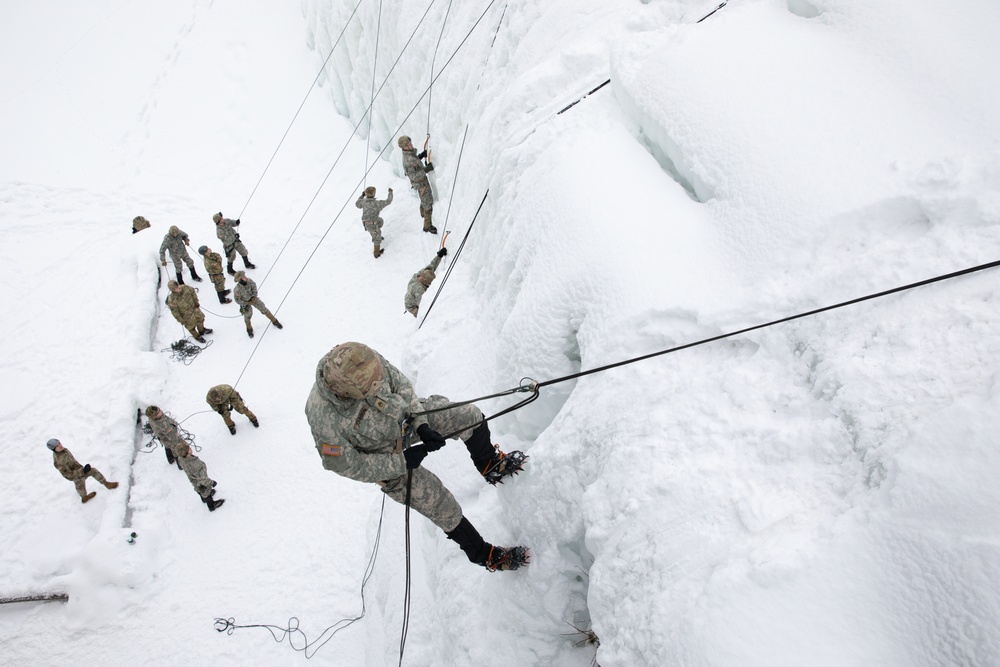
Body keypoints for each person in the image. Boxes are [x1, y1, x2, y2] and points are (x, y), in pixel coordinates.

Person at [304, 342, 529, 571]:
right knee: (442, 505)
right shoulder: (322, 414)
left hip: (406, 421)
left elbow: (401, 386)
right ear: (346, 391)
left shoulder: (363, 359)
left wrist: (421, 424)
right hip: (384, 460)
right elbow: (344, 464)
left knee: (469, 416)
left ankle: (489, 464)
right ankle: (485, 555)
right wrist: (401, 462)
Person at [47, 438, 118, 503]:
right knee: (80, 487)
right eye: (57, 446)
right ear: (53, 449)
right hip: (75, 476)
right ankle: (84, 498)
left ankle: (106, 484)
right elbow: (69, 475)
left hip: (80, 469)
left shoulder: (64, 450)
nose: (60, 446)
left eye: (59, 443)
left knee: (93, 471)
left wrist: (82, 468)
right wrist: (82, 471)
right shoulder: (59, 462)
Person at [397, 135, 437, 233]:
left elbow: (414, 164)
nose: (411, 145)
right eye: (408, 144)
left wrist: (420, 156)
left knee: (424, 198)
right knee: (427, 202)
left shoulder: (409, 154)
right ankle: (427, 226)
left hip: (421, 183)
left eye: (410, 143)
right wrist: (426, 170)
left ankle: (422, 212)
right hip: (421, 183)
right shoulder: (408, 160)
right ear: (404, 147)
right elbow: (413, 176)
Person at [233, 271, 282, 338]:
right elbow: (237, 300)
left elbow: (254, 287)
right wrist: (246, 303)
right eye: (243, 277)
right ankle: (249, 329)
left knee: (263, 308)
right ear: (240, 279)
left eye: (245, 276)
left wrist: (254, 296)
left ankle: (274, 321)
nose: (245, 277)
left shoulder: (249, 281)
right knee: (247, 316)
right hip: (246, 303)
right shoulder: (237, 289)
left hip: (254, 299)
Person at [405, 247, 447, 317]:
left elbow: (432, 266)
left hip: (411, 294)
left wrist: (439, 256)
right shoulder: (419, 290)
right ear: (425, 284)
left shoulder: (423, 273)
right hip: (411, 306)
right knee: (420, 314)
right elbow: (423, 306)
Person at [355, 186, 393, 258]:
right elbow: (388, 201)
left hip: (366, 223)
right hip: (372, 224)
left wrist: (362, 196)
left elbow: (357, 204)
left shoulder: (363, 202)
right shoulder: (376, 203)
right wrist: (390, 192)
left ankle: (375, 233)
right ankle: (376, 253)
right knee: (377, 239)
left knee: (380, 221)